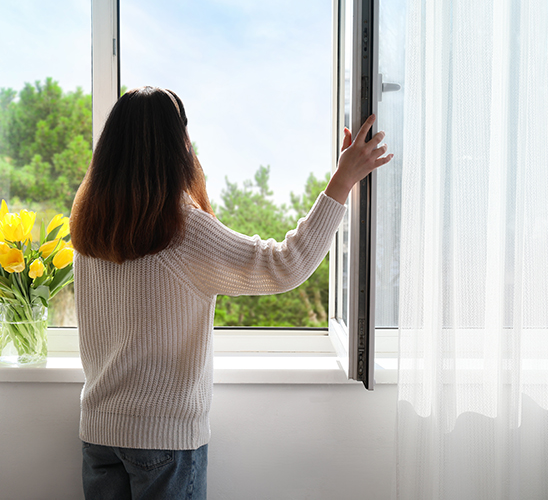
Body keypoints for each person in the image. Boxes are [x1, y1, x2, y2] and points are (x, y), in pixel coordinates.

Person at [69, 86, 392, 500]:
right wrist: (343, 180)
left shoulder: (89, 229)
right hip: (163, 441)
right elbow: (285, 264)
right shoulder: (182, 229)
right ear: (177, 146)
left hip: (98, 434)